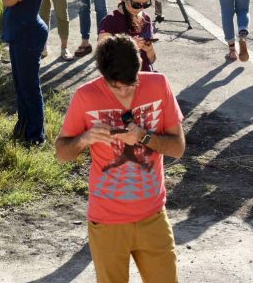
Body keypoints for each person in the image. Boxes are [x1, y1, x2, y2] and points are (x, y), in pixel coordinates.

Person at [56, 34, 185, 283]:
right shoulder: (85, 96)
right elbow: (62, 153)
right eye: (118, 87)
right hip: (107, 222)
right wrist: (85, 139)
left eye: (131, 84)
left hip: (154, 217)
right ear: (103, 76)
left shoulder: (159, 85)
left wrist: (144, 137)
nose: (126, 92)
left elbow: (178, 149)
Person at [0, 0, 49, 145]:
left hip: (28, 35)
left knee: (29, 86)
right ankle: (23, 127)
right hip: (21, 33)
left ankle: (36, 135)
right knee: (20, 84)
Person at [99, 0, 157, 72]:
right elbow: (104, 61)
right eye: (136, 4)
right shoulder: (109, 21)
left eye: (146, 4)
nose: (140, 8)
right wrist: (129, 48)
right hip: (123, 81)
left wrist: (149, 50)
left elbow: (151, 60)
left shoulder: (146, 19)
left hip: (145, 75)